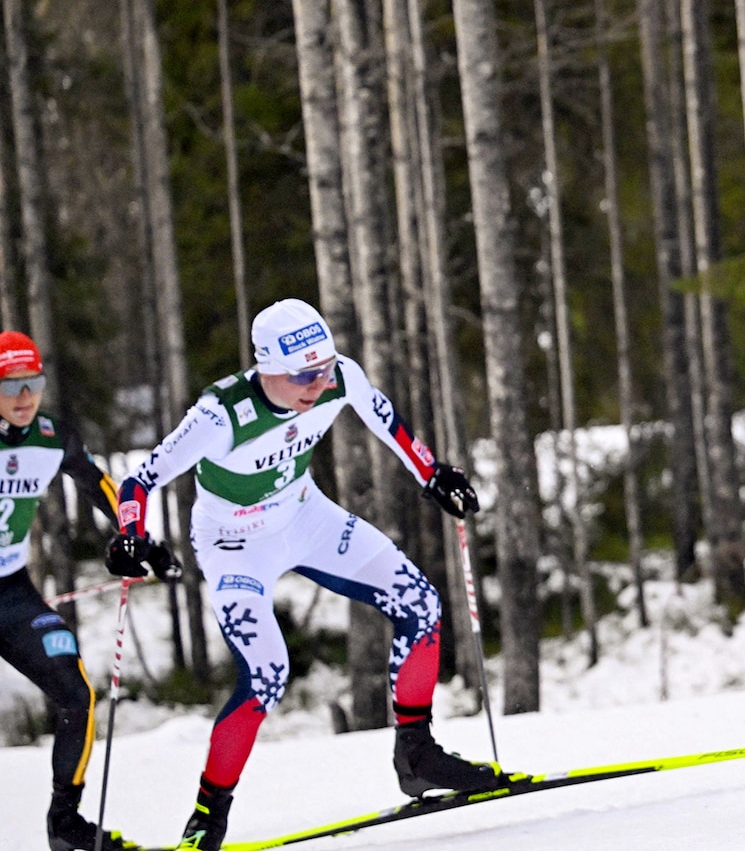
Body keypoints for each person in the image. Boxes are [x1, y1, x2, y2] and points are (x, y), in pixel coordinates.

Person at [106, 299, 493, 851]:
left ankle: (417, 754)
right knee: (267, 673)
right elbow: (139, 481)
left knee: (421, 604)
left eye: (326, 367)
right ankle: (206, 818)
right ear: (265, 367)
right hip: (235, 545)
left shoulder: (338, 379)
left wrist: (434, 475)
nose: (320, 383)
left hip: (305, 516)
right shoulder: (220, 415)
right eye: (304, 375)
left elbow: (386, 420)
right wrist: (130, 536)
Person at [0, 331, 173, 851]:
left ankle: (66, 824)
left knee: (75, 692)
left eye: (32, 383)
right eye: (11, 386)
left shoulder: (53, 435)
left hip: (8, 596)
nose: (24, 397)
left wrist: (137, 541)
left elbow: (99, 483)